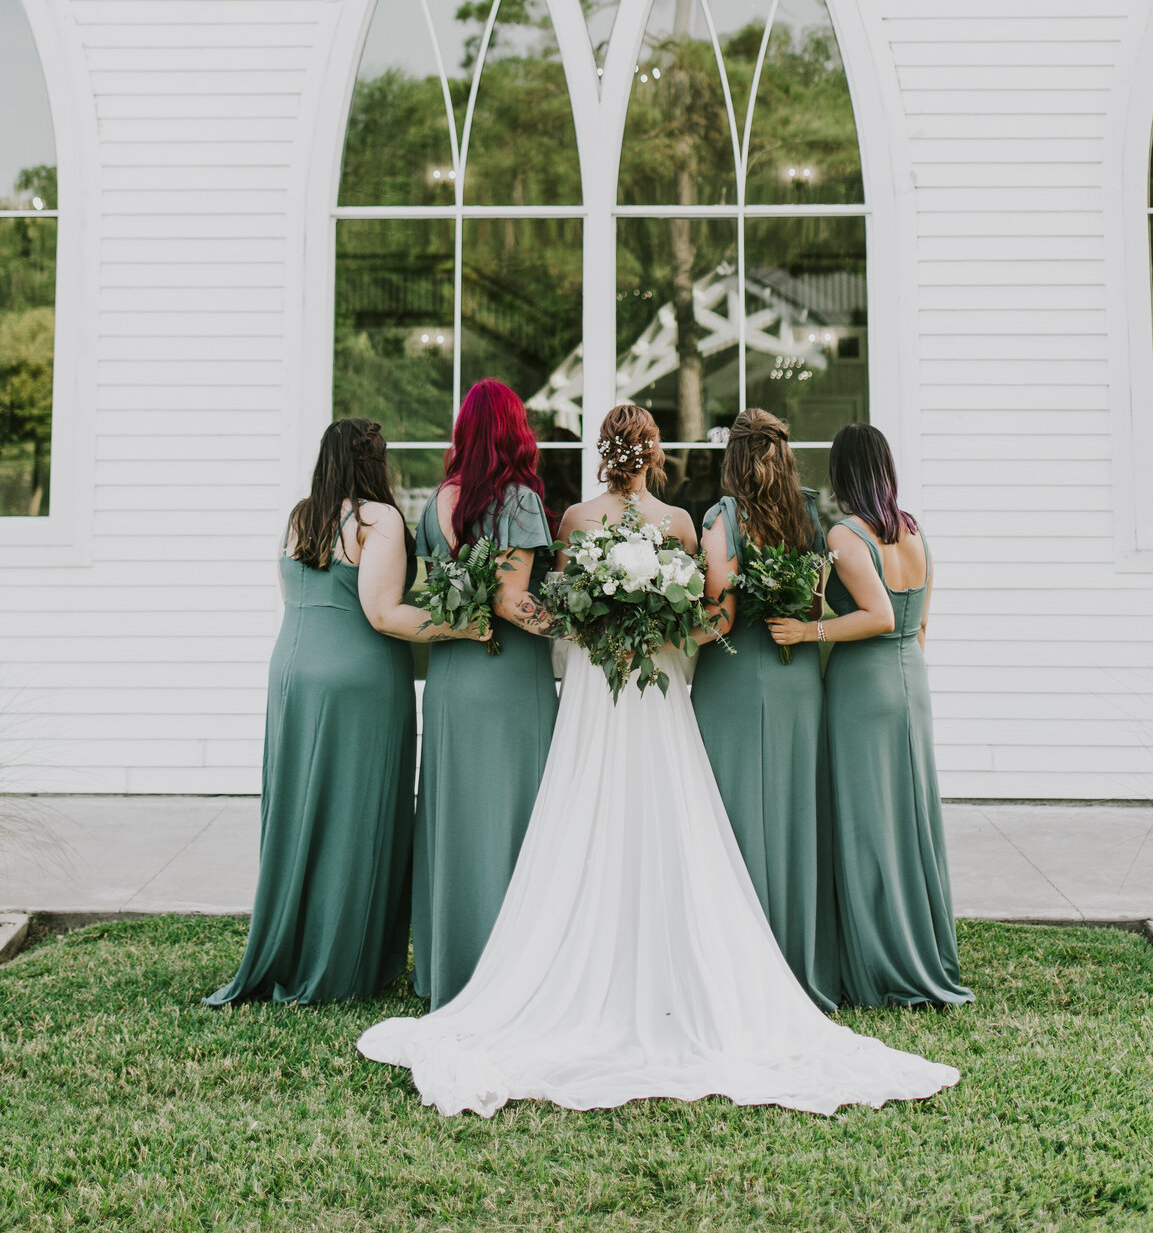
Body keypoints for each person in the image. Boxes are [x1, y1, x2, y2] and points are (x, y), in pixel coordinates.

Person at [357, 404, 960, 1116]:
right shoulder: (679, 521)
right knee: (670, 814)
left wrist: (592, 626)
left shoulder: (575, 520)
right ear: (651, 456)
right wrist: (660, 632)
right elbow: (709, 612)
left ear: (606, 456)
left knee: (585, 810)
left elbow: (559, 606)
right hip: (656, 677)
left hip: (595, 680)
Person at [206, 418, 461, 1007]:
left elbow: (295, 596)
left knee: (299, 812)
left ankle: (290, 946)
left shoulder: (301, 516)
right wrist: (464, 627)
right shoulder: (381, 519)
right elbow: (382, 612)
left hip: (292, 673)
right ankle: (343, 963)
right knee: (355, 815)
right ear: (376, 463)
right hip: (359, 680)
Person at [768, 422, 972, 1009]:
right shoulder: (916, 533)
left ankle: (878, 958)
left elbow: (879, 615)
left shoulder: (845, 535)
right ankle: (921, 945)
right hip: (911, 680)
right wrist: (906, 681)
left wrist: (809, 630)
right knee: (906, 820)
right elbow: (919, 623)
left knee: (864, 823)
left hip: (863, 685)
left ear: (842, 472)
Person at [411, 378, 559, 1009]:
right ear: (514, 432)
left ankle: (448, 965)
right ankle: (512, 969)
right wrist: (578, 622)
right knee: (517, 817)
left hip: (451, 675)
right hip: (507, 678)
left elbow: (435, 587)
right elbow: (511, 599)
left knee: (455, 817)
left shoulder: (433, 502)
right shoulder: (520, 499)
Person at [690, 409, 840, 1009]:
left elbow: (719, 616)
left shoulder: (724, 518)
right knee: (790, 810)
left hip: (737, 679)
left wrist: (657, 629)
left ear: (732, 457)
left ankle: (740, 966)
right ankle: (795, 955)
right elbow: (819, 604)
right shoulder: (809, 515)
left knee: (734, 814)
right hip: (798, 678)